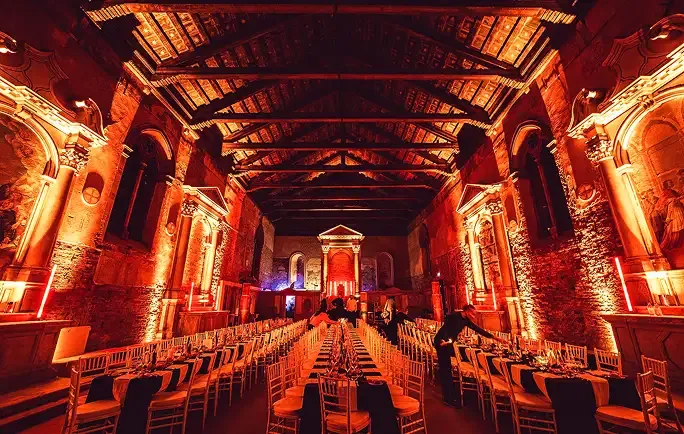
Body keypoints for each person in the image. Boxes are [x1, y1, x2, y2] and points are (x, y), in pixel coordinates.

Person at [434, 304, 507, 407]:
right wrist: (443, 340)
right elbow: (446, 328)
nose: (474, 316)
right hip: (441, 342)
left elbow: (478, 329)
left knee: (448, 369)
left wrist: (496, 338)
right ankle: (448, 398)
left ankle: (451, 395)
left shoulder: (466, 320)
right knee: (445, 371)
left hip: (448, 343)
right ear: (467, 311)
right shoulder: (454, 316)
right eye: (472, 314)